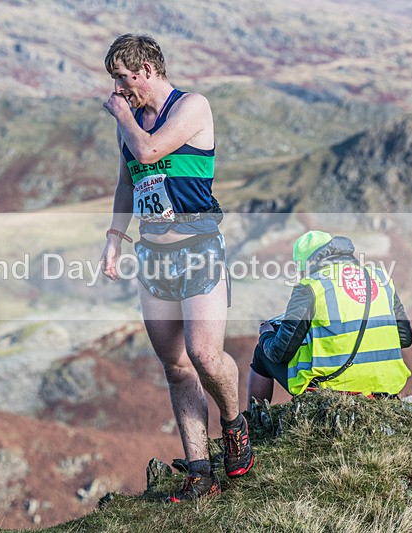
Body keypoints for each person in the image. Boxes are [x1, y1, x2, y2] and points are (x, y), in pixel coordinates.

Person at [100, 34, 253, 502]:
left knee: (205, 354)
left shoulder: (192, 107)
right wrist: (115, 238)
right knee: (175, 365)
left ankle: (234, 424)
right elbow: (129, 178)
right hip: (153, 255)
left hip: (199, 247)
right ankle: (200, 470)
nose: (120, 89)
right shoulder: (131, 124)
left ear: (147, 69)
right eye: (114, 82)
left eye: (124, 78)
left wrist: (123, 115)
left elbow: (149, 151)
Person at [247, 231, 412, 409]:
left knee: (262, 353)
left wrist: (266, 335)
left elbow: (280, 352)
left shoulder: (311, 286)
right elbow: (404, 338)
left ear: (304, 265)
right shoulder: (381, 277)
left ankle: (252, 424)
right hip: (386, 385)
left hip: (336, 387)